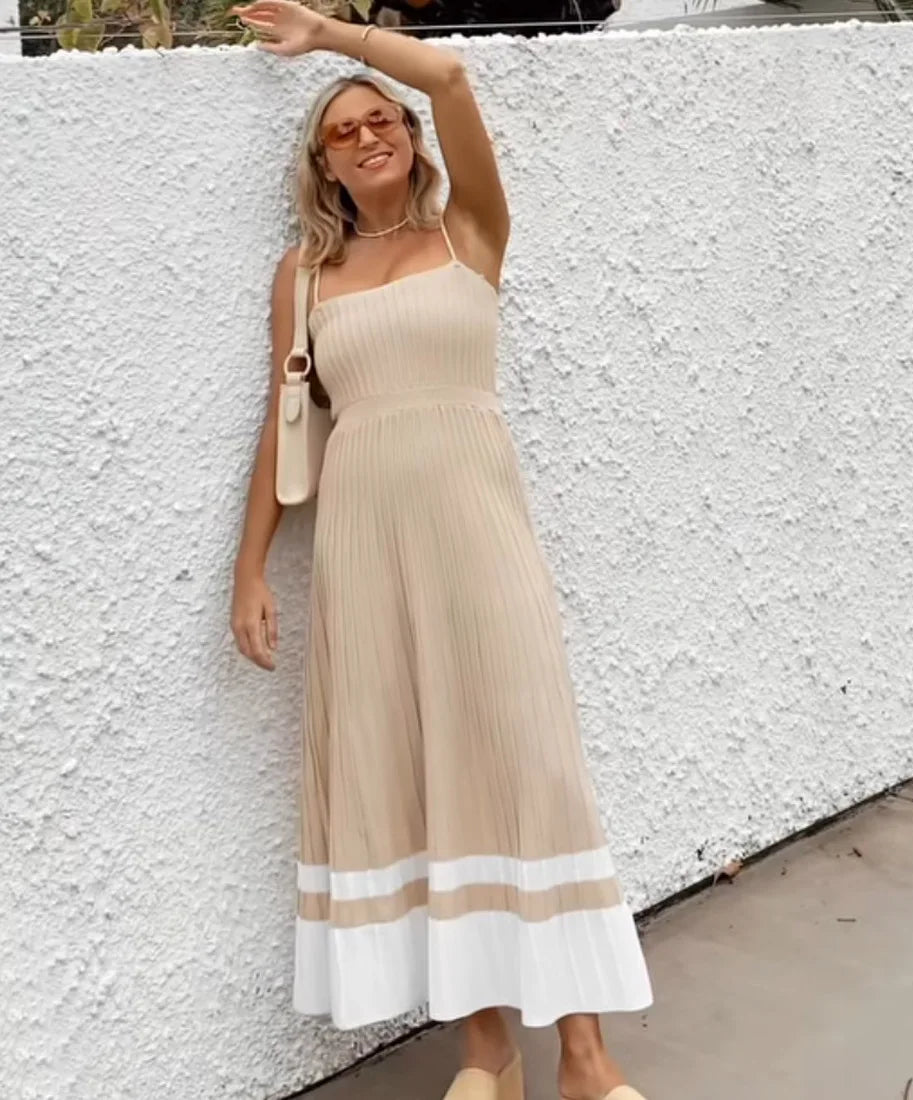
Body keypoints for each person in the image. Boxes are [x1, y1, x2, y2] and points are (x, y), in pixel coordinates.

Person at [228, 4, 653, 1098]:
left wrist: (330, 35)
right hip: (364, 546)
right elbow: (284, 423)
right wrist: (249, 569)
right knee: (419, 776)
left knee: (528, 764)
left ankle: (584, 1054)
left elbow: (453, 79)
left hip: (478, 529)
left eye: (382, 121)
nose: (367, 136)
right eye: (342, 132)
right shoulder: (303, 276)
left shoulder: (470, 232)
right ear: (323, 167)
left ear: (410, 140)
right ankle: (484, 1050)